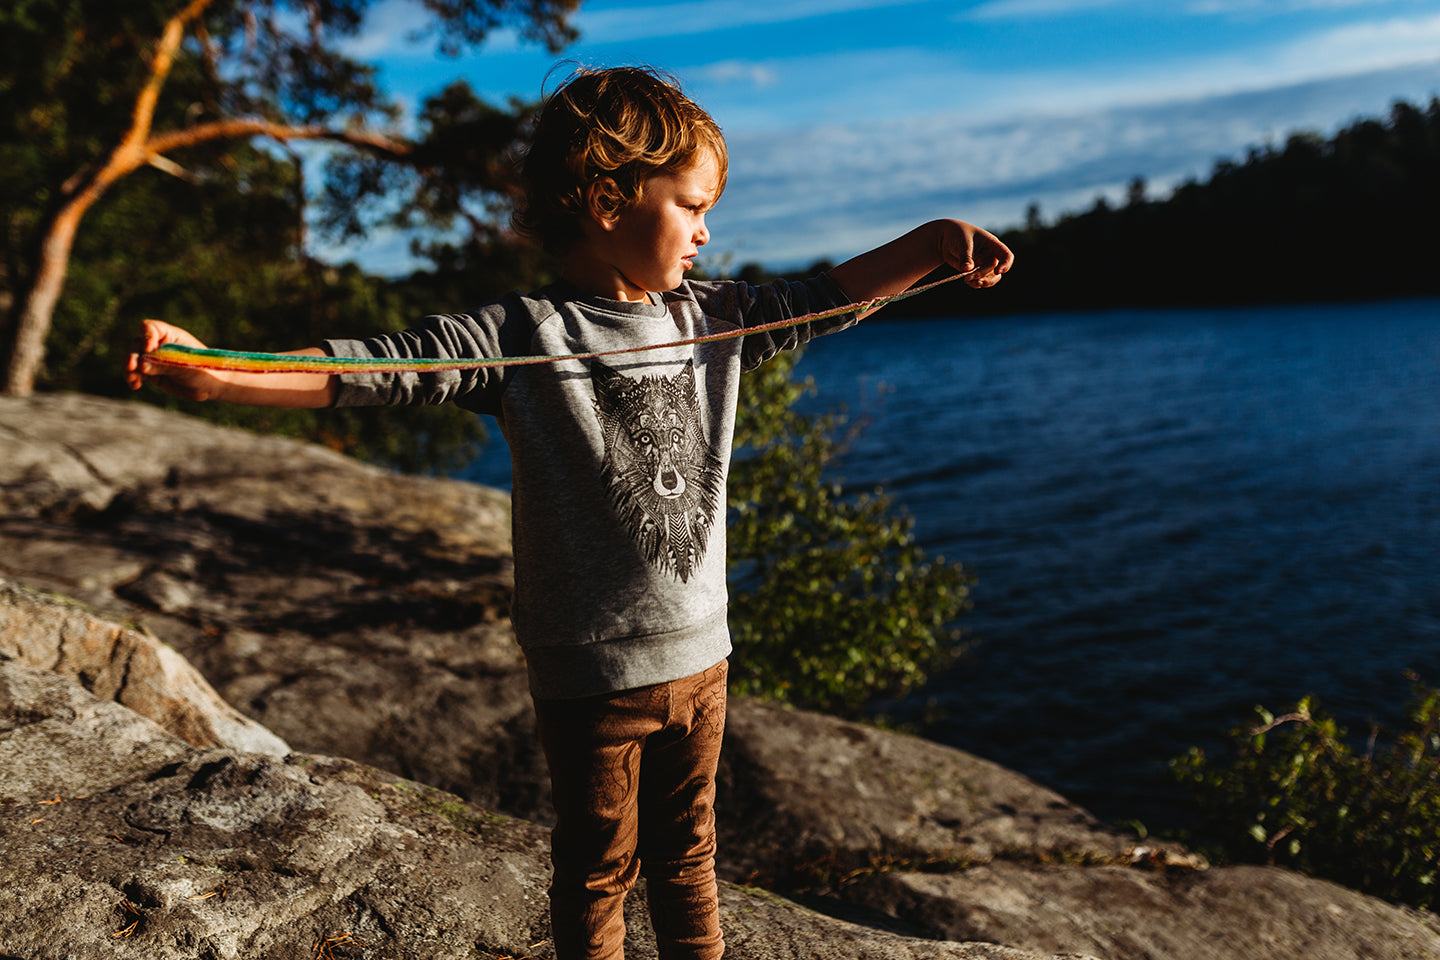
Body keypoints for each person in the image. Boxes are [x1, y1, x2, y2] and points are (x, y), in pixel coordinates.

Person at [128, 65, 1012, 960]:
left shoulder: (713, 317)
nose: (708, 232)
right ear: (606, 200)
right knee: (597, 870)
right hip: (591, 675)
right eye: (693, 206)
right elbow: (372, 369)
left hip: (705, 656)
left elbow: (826, 298)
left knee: (692, 857)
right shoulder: (523, 338)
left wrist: (931, 245)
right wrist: (217, 370)